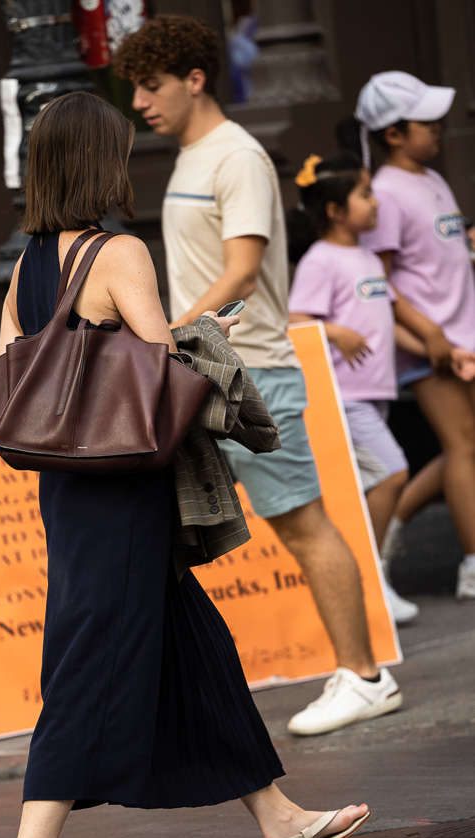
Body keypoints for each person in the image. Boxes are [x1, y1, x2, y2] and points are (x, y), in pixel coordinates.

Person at [0, 90, 370, 838]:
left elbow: (23, 364)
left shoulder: (28, 264)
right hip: (126, 491)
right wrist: (208, 330)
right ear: (101, 162)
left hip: (69, 490)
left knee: (198, 649)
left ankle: (279, 821)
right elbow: (159, 368)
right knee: (84, 672)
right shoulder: (118, 251)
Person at [113, 15, 402, 738]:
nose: (141, 102)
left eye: (152, 86)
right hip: (206, 370)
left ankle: (365, 677)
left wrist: (172, 337)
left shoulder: (235, 156)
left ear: (195, 79)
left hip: (251, 374)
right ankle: (161, 698)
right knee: (165, 536)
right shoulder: (192, 154)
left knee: (304, 526)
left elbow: (241, 269)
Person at [352, 72, 475, 603]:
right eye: (428, 122)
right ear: (394, 133)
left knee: (467, 446)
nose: (439, 129)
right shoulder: (385, 192)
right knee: (464, 445)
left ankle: (395, 518)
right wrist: (427, 334)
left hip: (461, 335)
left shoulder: (430, 178)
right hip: (432, 347)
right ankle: (472, 565)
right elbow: (377, 281)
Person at [286, 152, 419, 624]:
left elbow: (388, 319)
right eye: (365, 193)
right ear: (334, 211)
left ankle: (367, 571)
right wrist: (336, 331)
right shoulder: (321, 261)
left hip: (375, 394)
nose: (376, 201)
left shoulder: (366, 257)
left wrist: (436, 349)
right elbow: (297, 319)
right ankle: (371, 571)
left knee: (373, 481)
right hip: (347, 397)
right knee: (392, 473)